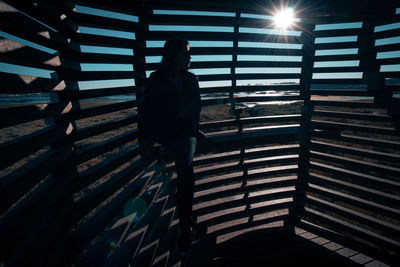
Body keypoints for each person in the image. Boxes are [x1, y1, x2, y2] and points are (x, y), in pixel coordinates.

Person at [138, 39, 204, 254]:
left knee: (185, 158)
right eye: (186, 53)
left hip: (184, 134)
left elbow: (194, 112)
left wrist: (189, 126)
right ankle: (186, 227)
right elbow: (147, 112)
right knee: (186, 164)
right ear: (174, 54)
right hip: (168, 133)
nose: (190, 57)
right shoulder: (157, 79)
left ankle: (185, 226)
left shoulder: (191, 79)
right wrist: (146, 140)